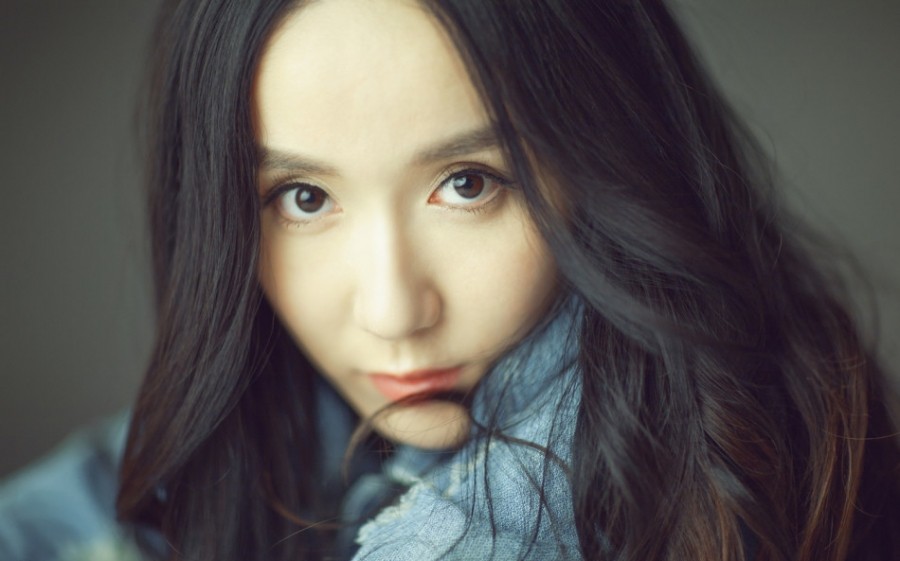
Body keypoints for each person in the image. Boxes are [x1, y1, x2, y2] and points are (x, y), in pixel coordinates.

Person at [1, 0, 898, 560]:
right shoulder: (189, 470)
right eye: (304, 198)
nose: (394, 310)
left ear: (609, 169)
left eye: (469, 184)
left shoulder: (784, 485)